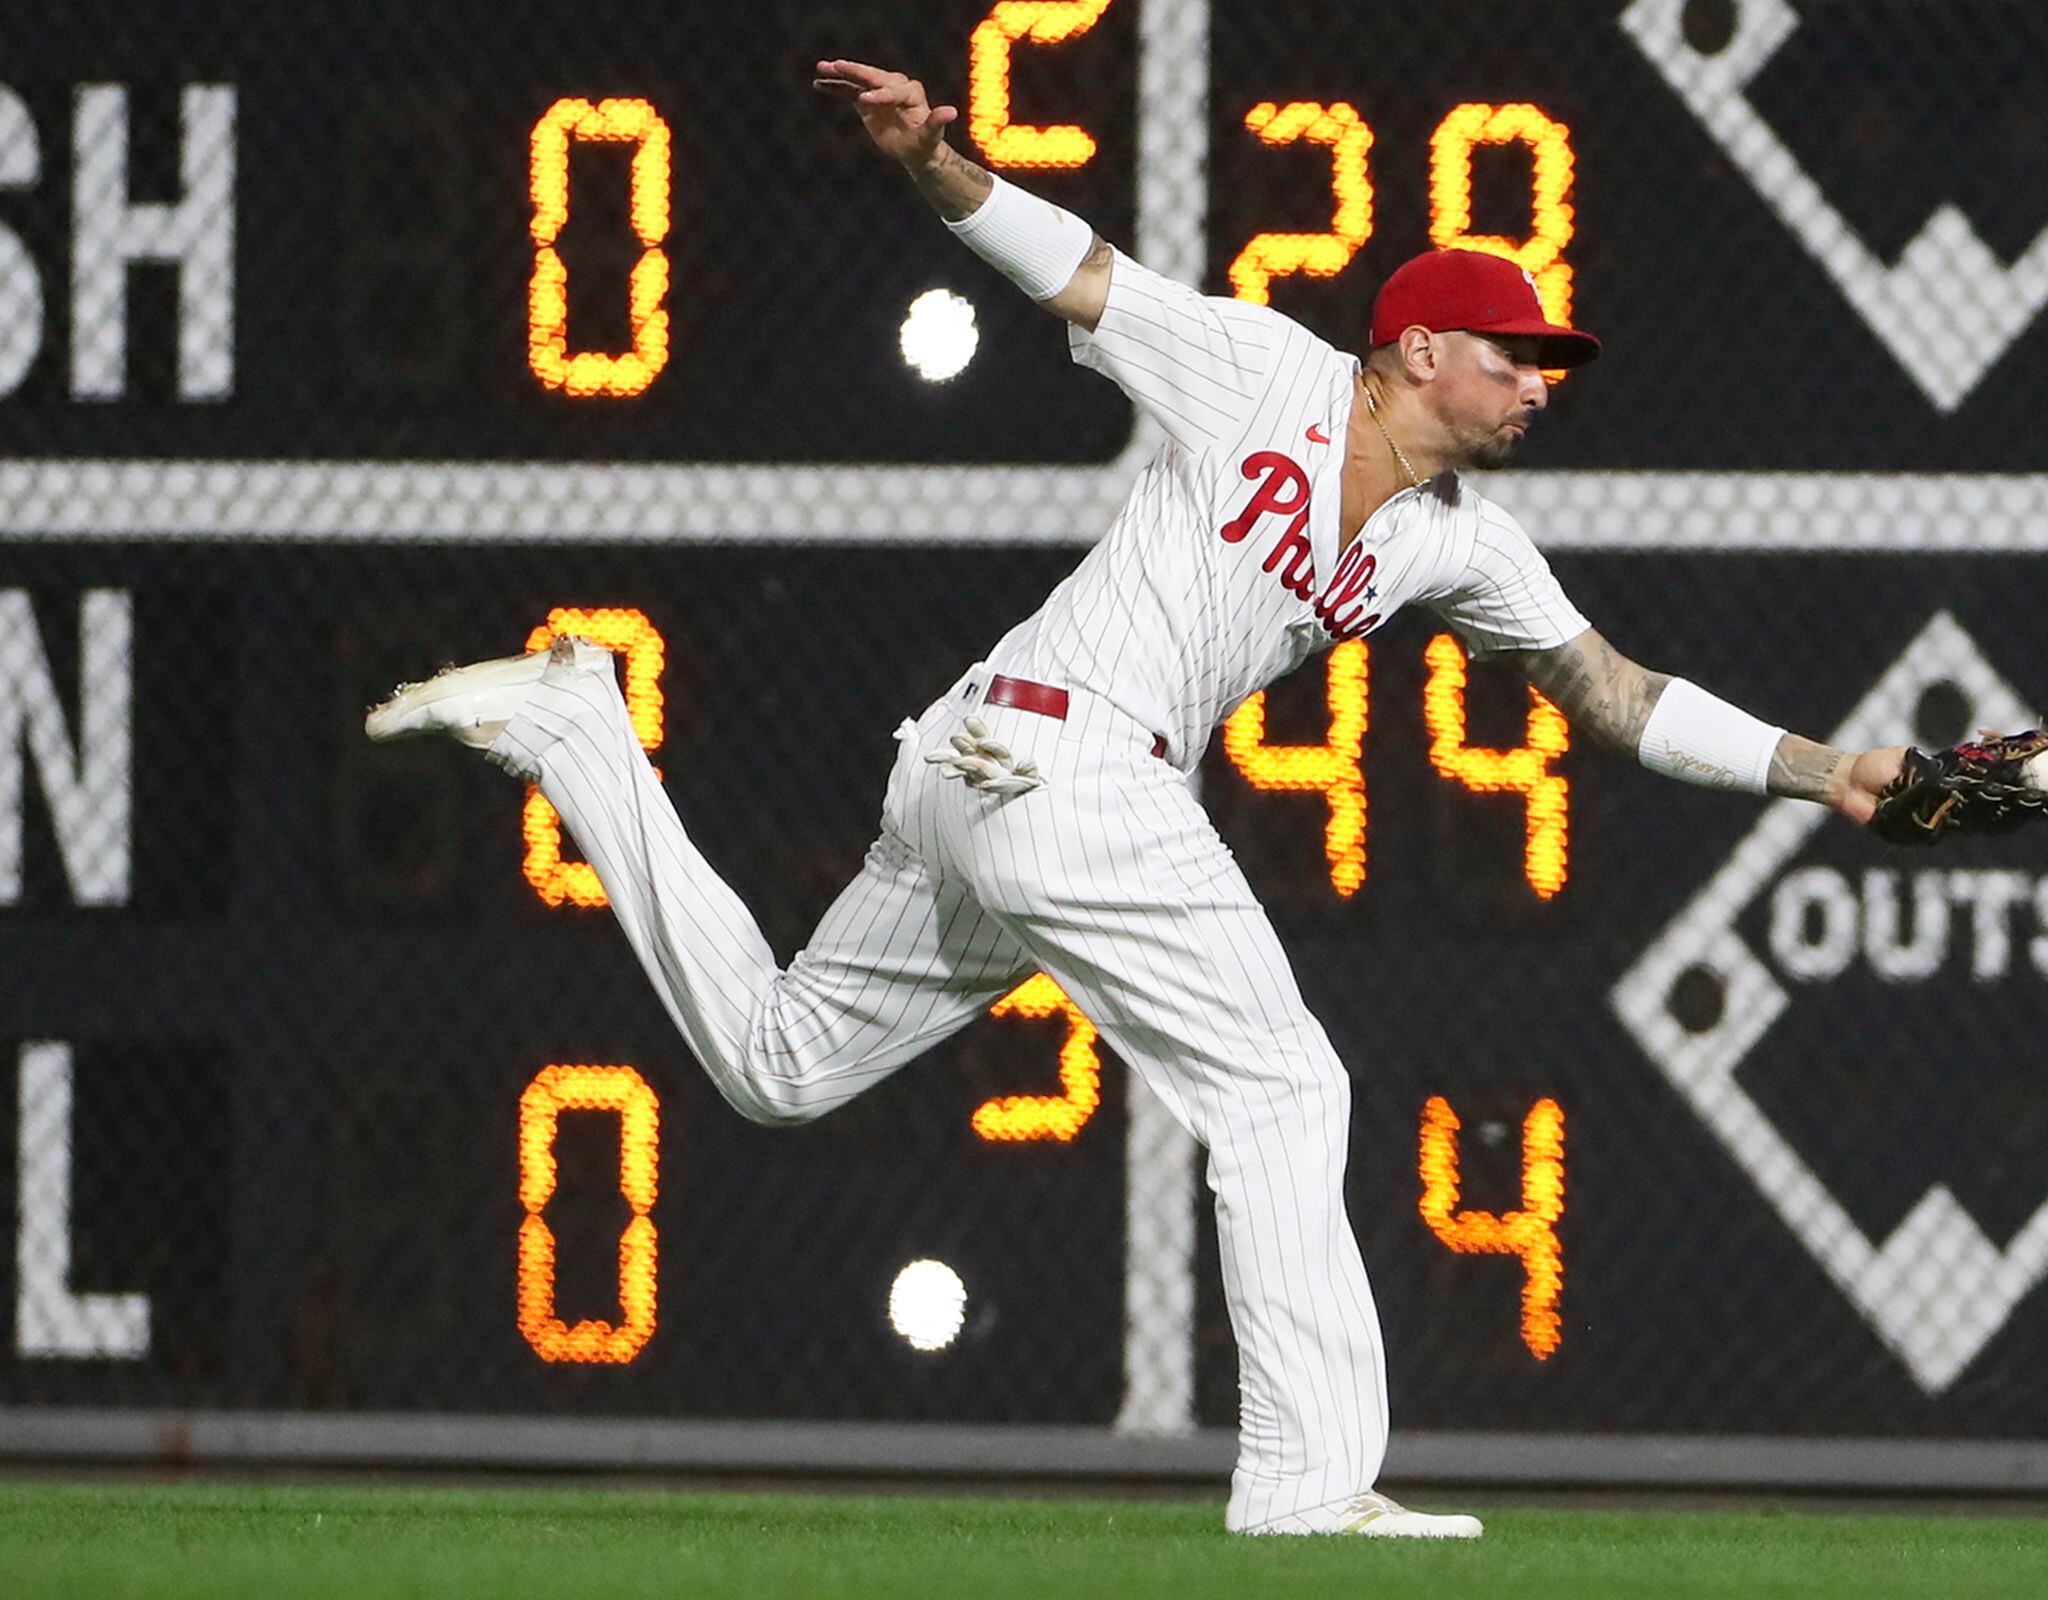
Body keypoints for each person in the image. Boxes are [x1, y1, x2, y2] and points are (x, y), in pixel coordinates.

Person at [366, 56, 1906, 1537]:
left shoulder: (1465, 546)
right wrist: (933, 164)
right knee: (1287, 1087)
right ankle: (1307, 1486)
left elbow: (1615, 695)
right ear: (1418, 350)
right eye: (1516, 356)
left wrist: (1827, 768)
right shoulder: (1268, 372)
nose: (1537, 385)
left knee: (782, 1064)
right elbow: (1082, 273)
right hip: (1064, 756)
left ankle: (579, 732)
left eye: (1547, 365)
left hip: (993, 774)